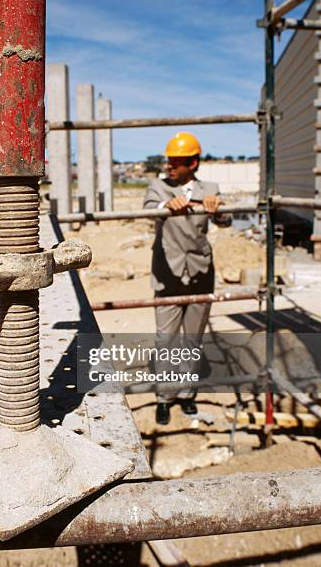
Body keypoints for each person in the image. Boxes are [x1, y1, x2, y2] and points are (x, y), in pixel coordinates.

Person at [143, 132, 231, 424]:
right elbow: (147, 210)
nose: (169, 166)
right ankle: (165, 397)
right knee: (165, 339)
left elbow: (227, 220)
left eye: (176, 162)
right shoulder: (158, 186)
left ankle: (187, 395)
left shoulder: (211, 188)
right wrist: (164, 207)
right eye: (169, 161)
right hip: (167, 272)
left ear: (192, 163)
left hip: (200, 271)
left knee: (192, 340)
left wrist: (216, 210)